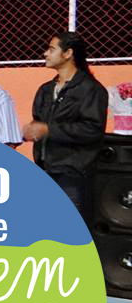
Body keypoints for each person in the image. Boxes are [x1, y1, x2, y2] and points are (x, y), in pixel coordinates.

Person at [23, 32, 108, 222]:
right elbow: (39, 122)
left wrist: (48, 130)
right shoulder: (45, 89)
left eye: (51, 49)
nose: (45, 53)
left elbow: (92, 130)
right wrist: (31, 131)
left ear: (68, 53)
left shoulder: (90, 89)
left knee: (72, 232)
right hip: (45, 173)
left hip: (73, 178)